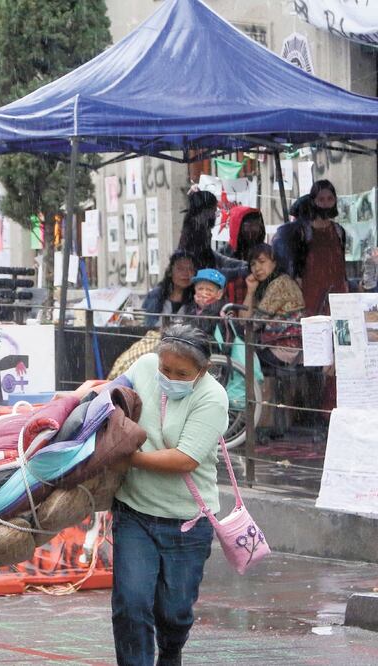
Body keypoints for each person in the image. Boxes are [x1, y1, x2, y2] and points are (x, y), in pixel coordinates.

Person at [110, 324, 229, 666]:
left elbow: (185, 459)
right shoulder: (145, 367)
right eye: (166, 369)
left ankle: (171, 650)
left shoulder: (212, 397)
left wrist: (128, 457)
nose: (170, 378)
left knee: (175, 612)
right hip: (134, 512)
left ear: (202, 370)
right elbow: (112, 394)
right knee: (131, 604)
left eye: (181, 374)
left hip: (187, 522)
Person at [272, 179, 347, 315]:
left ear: (335, 201)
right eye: (321, 199)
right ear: (313, 201)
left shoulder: (339, 231)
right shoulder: (302, 232)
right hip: (310, 296)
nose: (326, 204)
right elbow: (295, 268)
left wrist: (345, 289)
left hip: (337, 296)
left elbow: (342, 267)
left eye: (330, 199)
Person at [240, 244, 305, 365]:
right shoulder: (270, 284)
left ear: (274, 263)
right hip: (284, 347)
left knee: (240, 358)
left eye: (262, 261)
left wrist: (237, 329)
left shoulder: (280, 284)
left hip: (285, 350)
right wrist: (250, 291)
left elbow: (252, 324)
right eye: (253, 264)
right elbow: (245, 321)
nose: (257, 268)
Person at [178, 190, 248, 283]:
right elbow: (208, 273)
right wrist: (238, 271)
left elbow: (212, 256)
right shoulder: (193, 235)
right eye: (214, 211)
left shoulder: (200, 229)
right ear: (205, 211)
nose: (215, 215)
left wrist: (240, 264)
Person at [220, 206, 266, 304]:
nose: (253, 229)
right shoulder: (224, 253)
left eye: (257, 225)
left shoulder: (266, 253)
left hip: (259, 306)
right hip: (227, 306)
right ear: (237, 226)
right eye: (248, 225)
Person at [141, 250, 198, 328]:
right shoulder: (155, 295)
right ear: (170, 272)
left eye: (190, 269)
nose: (186, 273)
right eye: (180, 268)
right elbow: (146, 325)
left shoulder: (198, 298)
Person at [183, 267, 227, 337]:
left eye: (209, 290)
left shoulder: (223, 310)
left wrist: (204, 308)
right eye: (200, 289)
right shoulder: (189, 307)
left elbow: (203, 331)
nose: (204, 293)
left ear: (219, 294)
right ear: (195, 290)